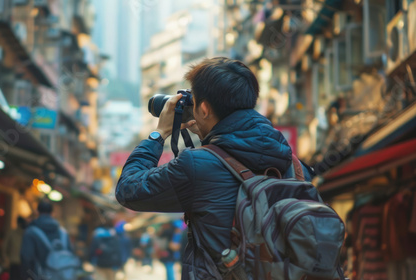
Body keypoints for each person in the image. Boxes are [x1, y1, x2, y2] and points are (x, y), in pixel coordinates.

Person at [115, 57, 313, 279]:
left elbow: (128, 190)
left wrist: (159, 133)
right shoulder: (295, 165)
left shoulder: (196, 166)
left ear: (204, 108)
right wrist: (211, 140)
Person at [20, 200, 73, 280]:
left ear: (37, 212)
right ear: (52, 213)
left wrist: (27, 276)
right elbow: (70, 254)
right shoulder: (63, 233)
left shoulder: (31, 232)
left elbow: (26, 258)